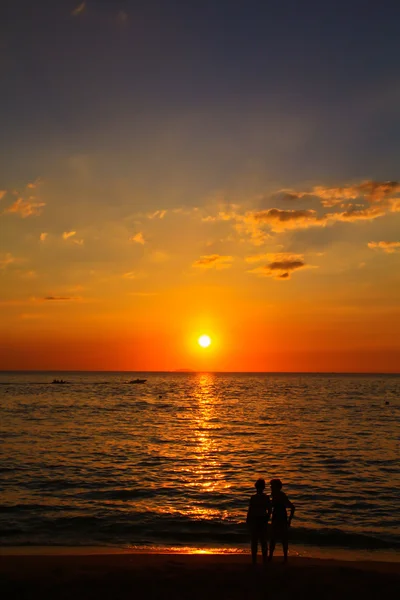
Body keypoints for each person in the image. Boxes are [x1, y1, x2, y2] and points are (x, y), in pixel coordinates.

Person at [268, 478, 295, 563]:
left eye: (272, 486)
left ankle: (282, 557)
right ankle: (276, 557)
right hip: (278, 519)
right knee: (277, 539)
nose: (271, 487)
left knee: (278, 539)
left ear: (276, 487)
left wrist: (289, 519)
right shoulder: (276, 495)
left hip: (280, 519)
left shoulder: (280, 495)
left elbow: (292, 507)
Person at [246, 478, 271, 565]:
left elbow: (251, 510)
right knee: (259, 540)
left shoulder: (256, 497)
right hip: (259, 519)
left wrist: (248, 519)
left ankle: (257, 560)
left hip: (259, 519)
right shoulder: (264, 497)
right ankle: (260, 560)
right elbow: (269, 510)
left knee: (257, 541)